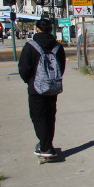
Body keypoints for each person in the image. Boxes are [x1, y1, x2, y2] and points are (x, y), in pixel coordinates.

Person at [18, 19, 66, 158]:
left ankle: (45, 148)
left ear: (37, 29)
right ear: (50, 30)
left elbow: (24, 68)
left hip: (36, 87)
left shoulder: (30, 46)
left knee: (38, 117)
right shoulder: (58, 47)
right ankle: (47, 144)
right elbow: (61, 67)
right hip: (52, 86)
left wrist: (30, 81)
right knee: (50, 116)